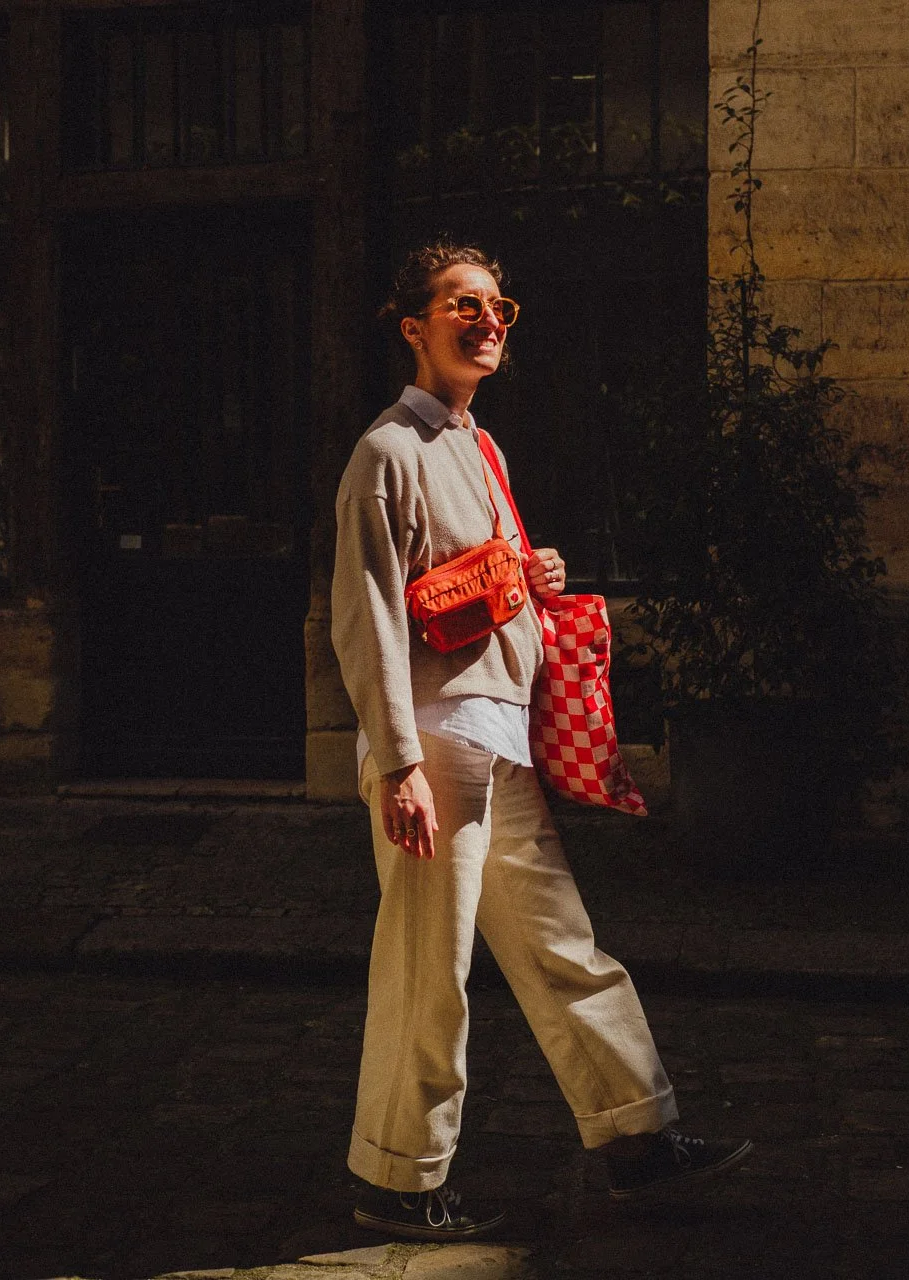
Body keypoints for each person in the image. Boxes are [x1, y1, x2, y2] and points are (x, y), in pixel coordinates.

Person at [331, 241, 752, 1241]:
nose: (487, 321)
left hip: (495, 736)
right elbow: (370, 619)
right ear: (412, 323)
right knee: (427, 967)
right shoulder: (386, 452)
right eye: (461, 304)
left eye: (497, 306)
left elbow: (482, 582)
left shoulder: (483, 449)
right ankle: (397, 1175)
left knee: (564, 942)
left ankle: (634, 1137)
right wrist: (397, 764)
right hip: (433, 745)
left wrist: (534, 572)